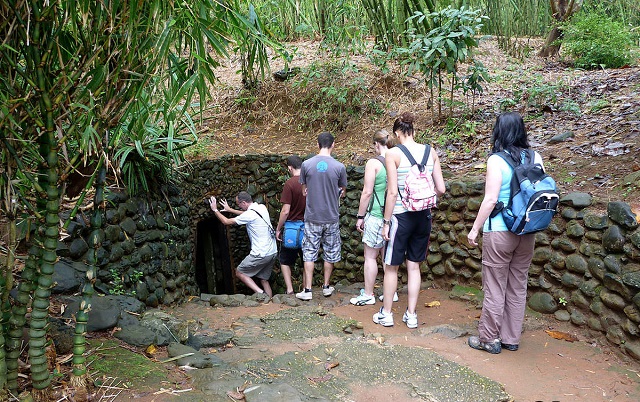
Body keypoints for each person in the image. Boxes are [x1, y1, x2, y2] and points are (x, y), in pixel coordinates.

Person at [466, 111, 543, 354]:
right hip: (527, 230)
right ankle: (511, 338)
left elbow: (490, 200)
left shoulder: (496, 160)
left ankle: (489, 338)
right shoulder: (536, 157)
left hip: (500, 230)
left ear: (499, 131)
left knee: (495, 286)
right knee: (518, 285)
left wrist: (475, 229)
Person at [374, 112, 446, 328]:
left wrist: (386, 222)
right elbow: (441, 189)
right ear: (414, 130)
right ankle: (411, 315)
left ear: (397, 132)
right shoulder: (430, 151)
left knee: (391, 267)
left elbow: (392, 193)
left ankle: (387, 313)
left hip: (400, 217)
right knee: (414, 266)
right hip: (423, 216)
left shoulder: (393, 154)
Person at [296, 132, 347, 301]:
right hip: (331, 216)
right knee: (330, 252)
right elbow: (342, 191)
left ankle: (308, 290)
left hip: (312, 216)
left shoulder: (306, 164)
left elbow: (304, 190)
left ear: (317, 145)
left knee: (309, 252)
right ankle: (326, 286)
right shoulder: (339, 167)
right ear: (333, 145)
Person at [351, 129, 396, 306]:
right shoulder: (397, 159)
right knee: (388, 257)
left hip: (376, 214)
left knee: (370, 256)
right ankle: (390, 293)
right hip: (393, 215)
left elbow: (367, 192)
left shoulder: (374, 163)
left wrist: (360, 216)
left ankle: (368, 294)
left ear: (377, 144)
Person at [209, 191, 277, 298]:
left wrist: (215, 210)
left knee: (240, 272)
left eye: (239, 204)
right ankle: (272, 302)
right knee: (264, 279)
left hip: (261, 253)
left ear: (244, 203)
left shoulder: (250, 214)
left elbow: (226, 221)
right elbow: (246, 214)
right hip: (272, 251)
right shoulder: (261, 207)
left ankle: (261, 294)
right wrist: (230, 210)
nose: (239, 206)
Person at [275, 155, 306, 295]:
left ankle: (290, 290)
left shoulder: (289, 184)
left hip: (292, 228)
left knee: (285, 260)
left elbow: (285, 210)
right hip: (308, 227)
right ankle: (307, 288)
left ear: (290, 168)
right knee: (307, 259)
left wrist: (278, 228)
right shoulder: (309, 182)